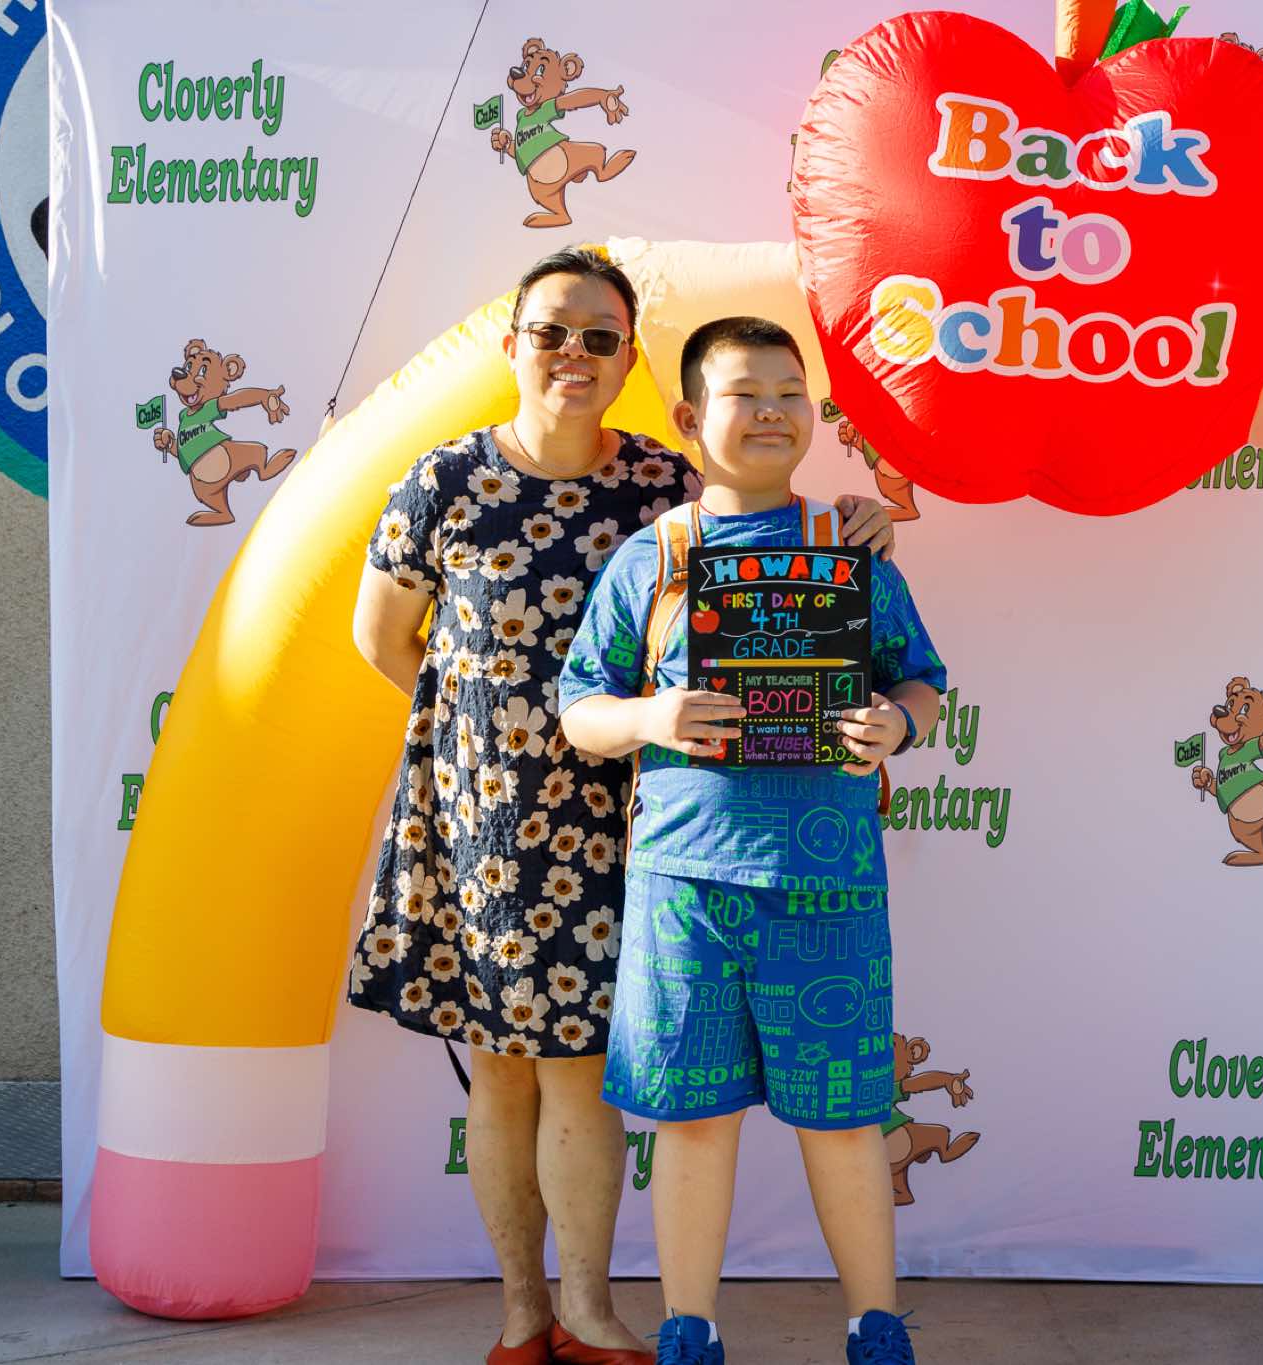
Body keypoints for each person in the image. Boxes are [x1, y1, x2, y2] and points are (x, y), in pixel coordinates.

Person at [348, 250, 899, 1365]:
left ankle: (592, 1309)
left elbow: (760, 519)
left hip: (630, 823)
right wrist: (486, 733)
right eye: (552, 332)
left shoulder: (660, 483)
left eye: (600, 337)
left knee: (583, 1066)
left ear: (628, 359)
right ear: (512, 345)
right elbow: (381, 638)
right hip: (490, 824)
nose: (574, 354)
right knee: (503, 1068)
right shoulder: (443, 481)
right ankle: (523, 1314)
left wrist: (858, 518)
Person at [558, 317, 946, 1365]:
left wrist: (896, 723)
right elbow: (580, 707)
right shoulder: (652, 559)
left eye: (789, 392)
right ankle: (689, 1329)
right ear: (690, 418)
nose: (771, 411)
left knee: (843, 1120)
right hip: (684, 888)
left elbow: (922, 679)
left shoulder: (851, 548)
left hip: (827, 888)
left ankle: (874, 1325)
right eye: (744, 393)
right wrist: (650, 717)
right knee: (692, 1122)